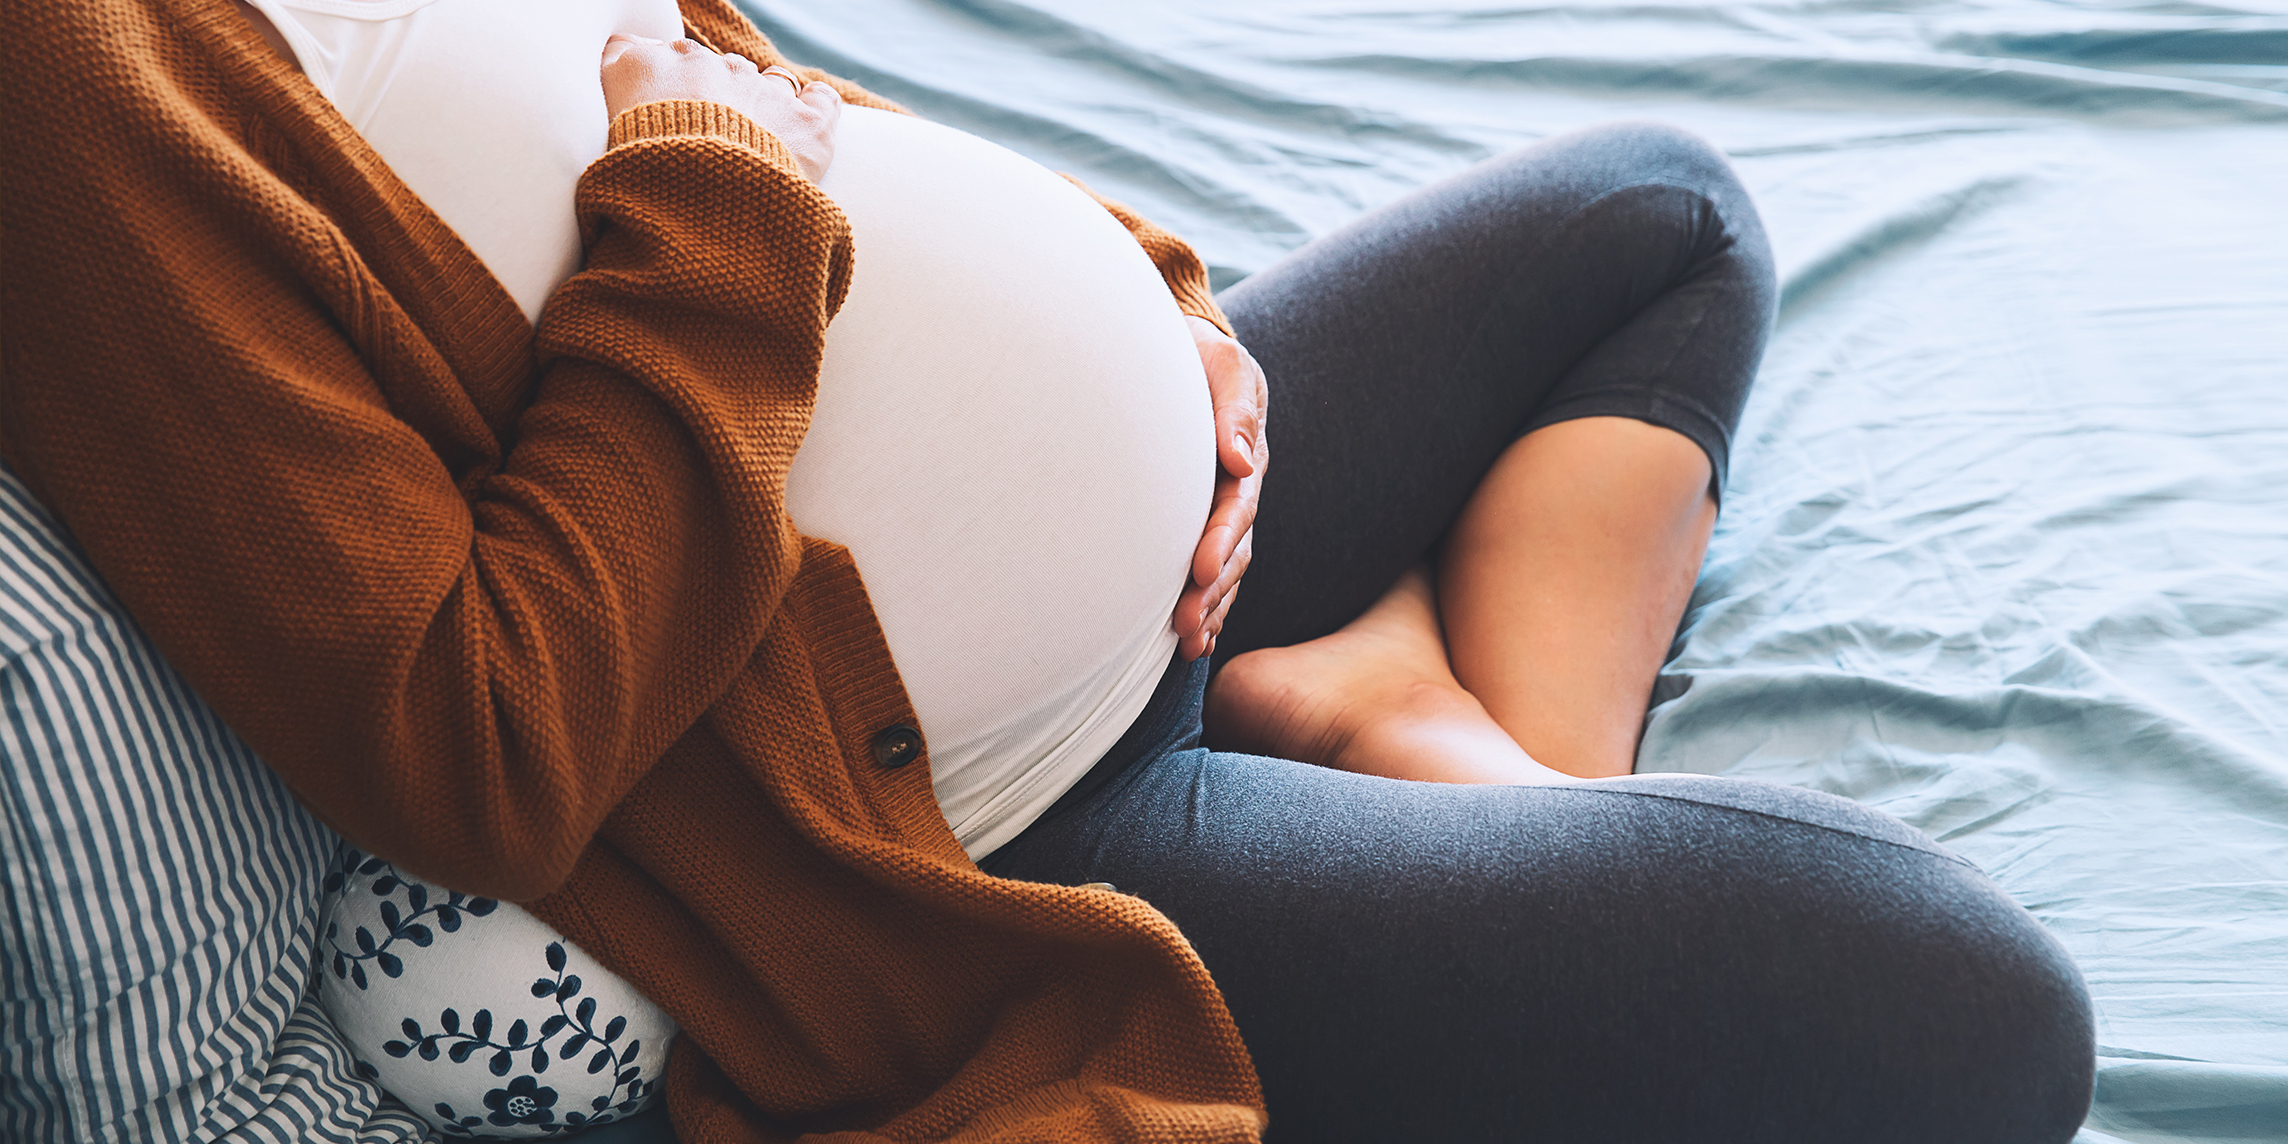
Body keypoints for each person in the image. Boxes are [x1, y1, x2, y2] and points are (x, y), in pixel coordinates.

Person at [2, 1, 2095, 1142]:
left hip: (1187, 549)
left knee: (1662, 210)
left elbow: (740, 91)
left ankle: (1390, 712)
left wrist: (1159, 306)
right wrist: (719, 196)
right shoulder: (64, 87)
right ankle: (1424, 725)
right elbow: (473, 737)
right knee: (1971, 1012)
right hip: (961, 809)